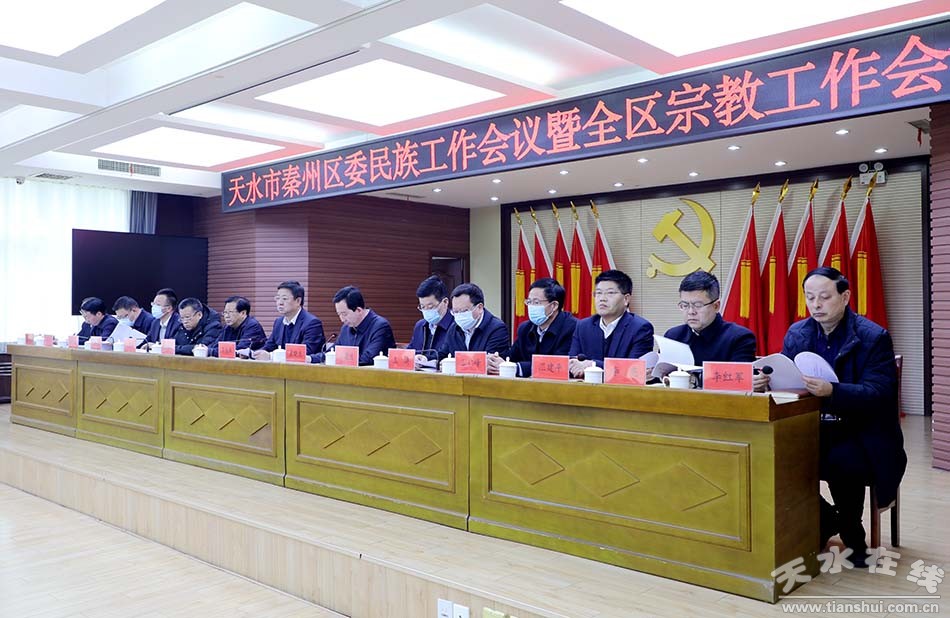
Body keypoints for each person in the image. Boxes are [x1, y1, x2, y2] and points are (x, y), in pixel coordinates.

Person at [755, 267, 906, 566]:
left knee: (841, 460)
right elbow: (789, 380)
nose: (816, 305)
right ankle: (826, 520)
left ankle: (852, 534)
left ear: (845, 297)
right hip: (811, 427)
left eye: (824, 297)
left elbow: (879, 393)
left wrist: (833, 391)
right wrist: (767, 381)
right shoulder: (798, 333)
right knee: (773, 459)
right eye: (810, 297)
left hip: (862, 431)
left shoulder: (873, 336)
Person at [569, 269, 654, 378]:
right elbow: (573, 361)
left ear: (626, 299)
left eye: (610, 293)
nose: (602, 299)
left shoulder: (640, 328)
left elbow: (634, 370)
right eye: (598, 293)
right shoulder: (583, 326)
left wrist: (593, 365)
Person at [488, 277, 577, 377]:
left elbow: (558, 364)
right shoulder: (525, 328)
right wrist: (495, 361)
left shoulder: (573, 328)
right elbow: (512, 357)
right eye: (529, 302)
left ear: (554, 306)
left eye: (536, 302)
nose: (531, 306)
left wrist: (518, 368)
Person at [663, 270, 756, 363]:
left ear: (716, 306)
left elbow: (740, 372)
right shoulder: (673, 336)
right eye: (685, 305)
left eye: (698, 305)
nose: (691, 312)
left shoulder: (739, 338)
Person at [311, 286, 395, 364]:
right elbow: (332, 353)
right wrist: (310, 359)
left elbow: (367, 359)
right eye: (339, 314)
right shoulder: (346, 328)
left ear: (359, 310)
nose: (342, 319)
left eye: (344, 314)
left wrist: (340, 360)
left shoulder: (380, 326)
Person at [253, 280, 325, 361]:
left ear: (298, 301)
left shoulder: (312, 323)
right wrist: (257, 353)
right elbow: (269, 346)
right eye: (277, 298)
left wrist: (271, 356)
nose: (280, 303)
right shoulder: (278, 322)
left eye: (284, 299)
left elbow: (305, 353)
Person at [439, 283, 509, 358]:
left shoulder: (497, 329)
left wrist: (456, 362)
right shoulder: (454, 328)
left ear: (479, 308)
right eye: (455, 311)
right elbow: (442, 354)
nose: (459, 315)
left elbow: (490, 361)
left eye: (464, 311)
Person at [408, 276, 456, 368]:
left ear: (445, 302)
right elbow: (410, 351)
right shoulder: (420, 326)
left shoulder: (456, 326)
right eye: (422, 307)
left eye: (430, 307)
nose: (426, 311)